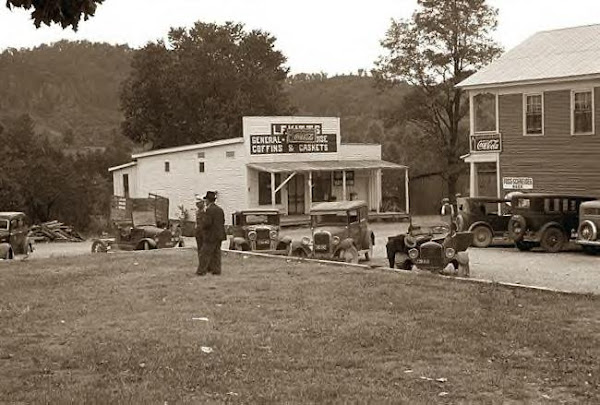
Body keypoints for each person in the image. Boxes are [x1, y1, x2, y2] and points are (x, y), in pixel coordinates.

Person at [197, 191, 226, 276]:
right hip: (219, 234)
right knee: (216, 253)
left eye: (206, 200)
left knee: (204, 254)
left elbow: (207, 223)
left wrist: (202, 225)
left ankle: (201, 271)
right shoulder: (220, 209)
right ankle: (216, 270)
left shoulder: (209, 210)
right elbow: (222, 221)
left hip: (210, 235)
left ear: (208, 201)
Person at [194, 197, 206, 274]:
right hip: (198, 233)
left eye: (198, 203)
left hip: (204, 233)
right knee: (200, 250)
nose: (197, 205)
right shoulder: (198, 212)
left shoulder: (205, 212)